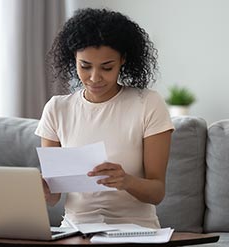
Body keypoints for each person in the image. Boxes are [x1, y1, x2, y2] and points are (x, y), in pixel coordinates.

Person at [35, 8, 174, 229]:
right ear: (74, 59)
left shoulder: (148, 104)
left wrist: (126, 181)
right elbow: (53, 198)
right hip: (75, 230)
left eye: (107, 67)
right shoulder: (57, 108)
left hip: (136, 230)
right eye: (85, 66)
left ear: (123, 60)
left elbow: (157, 192)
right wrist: (44, 190)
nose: (94, 78)